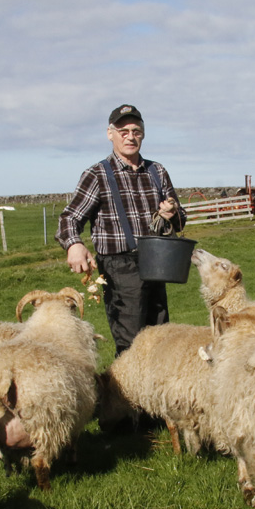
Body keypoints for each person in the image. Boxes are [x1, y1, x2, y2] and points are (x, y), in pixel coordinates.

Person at [56, 104, 185, 355]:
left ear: (143, 134)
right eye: (123, 131)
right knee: (131, 344)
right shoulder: (97, 174)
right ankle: (126, 394)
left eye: (136, 131)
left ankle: (157, 393)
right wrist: (74, 244)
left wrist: (172, 213)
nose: (130, 136)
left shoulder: (157, 171)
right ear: (110, 134)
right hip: (118, 266)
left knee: (161, 338)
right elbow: (69, 218)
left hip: (157, 261)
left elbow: (180, 221)